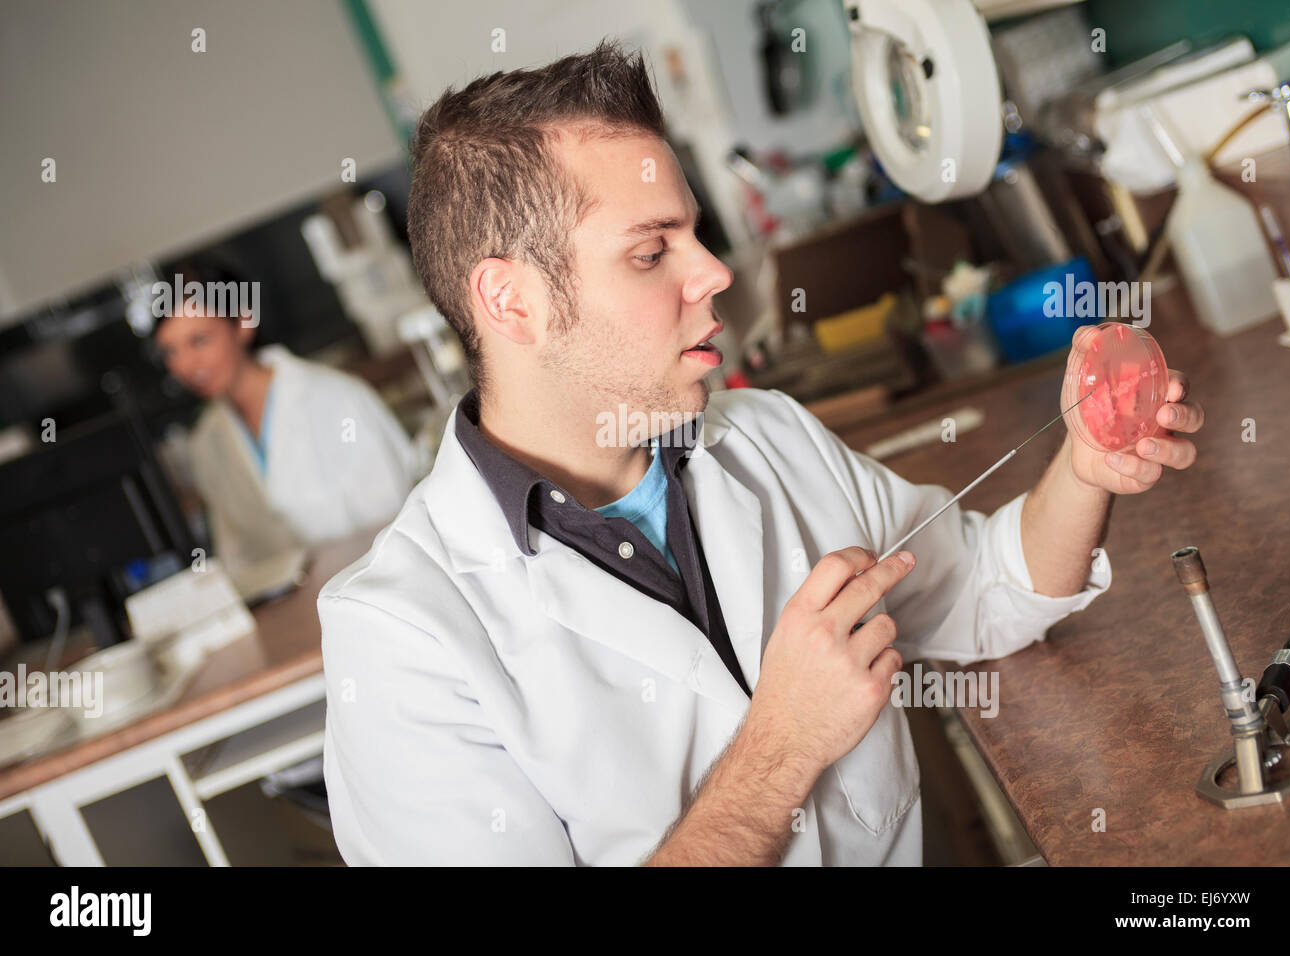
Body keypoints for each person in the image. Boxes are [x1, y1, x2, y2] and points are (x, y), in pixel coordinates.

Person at [317, 40, 1204, 866]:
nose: (713, 273)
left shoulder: (763, 439)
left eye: (695, 235)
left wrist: (1084, 470)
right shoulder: (401, 639)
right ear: (510, 303)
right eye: (650, 251)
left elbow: (979, 587)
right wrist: (783, 744)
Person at [153, 261, 420, 574]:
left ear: (243, 322)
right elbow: (236, 557)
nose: (186, 365)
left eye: (199, 341)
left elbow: (398, 518)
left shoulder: (335, 398)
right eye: (171, 352)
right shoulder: (206, 442)